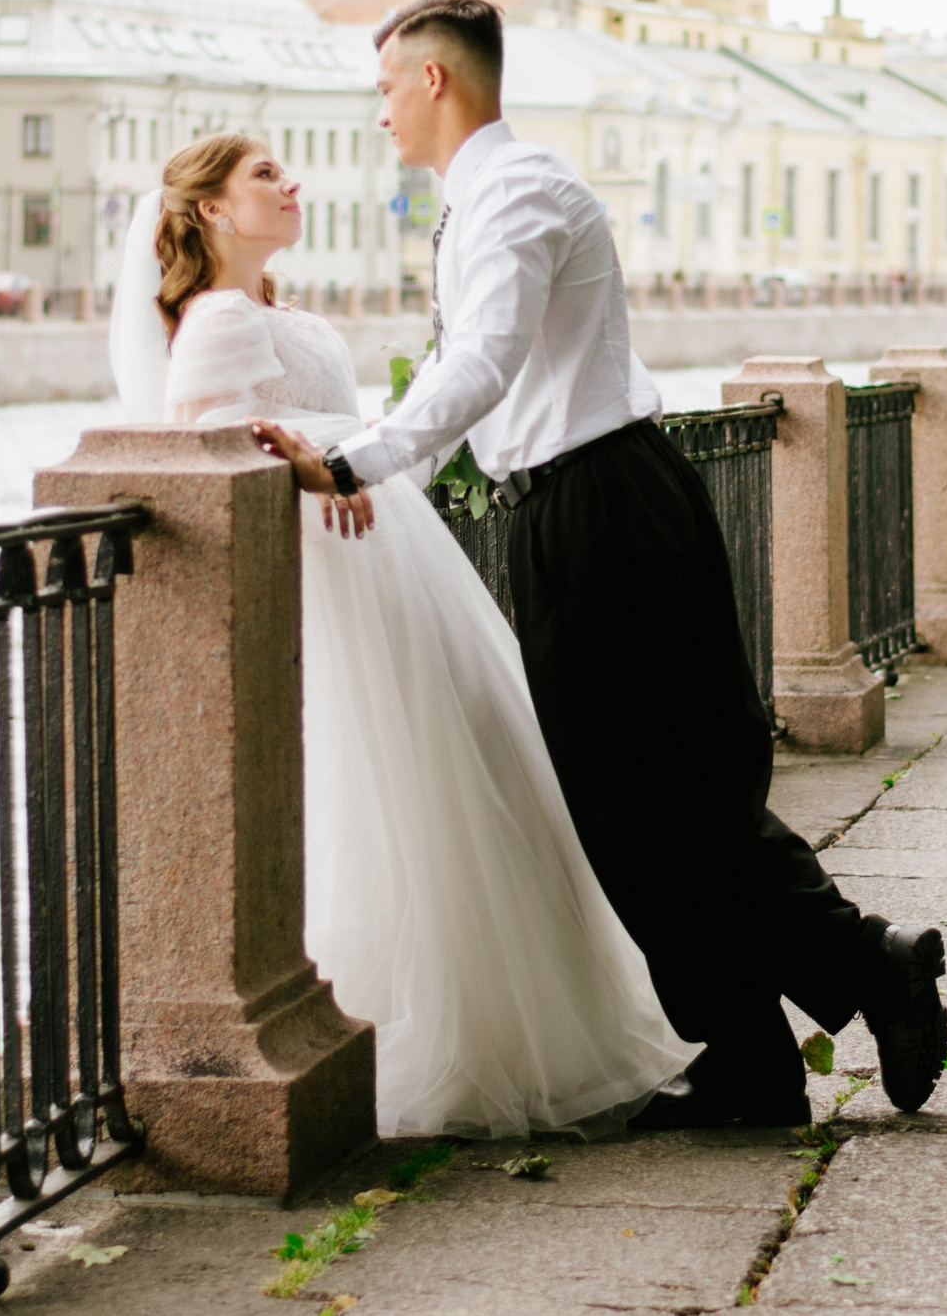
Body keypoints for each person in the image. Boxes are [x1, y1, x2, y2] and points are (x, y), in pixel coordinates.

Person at [263, 0, 947, 1128]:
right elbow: (476, 370)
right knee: (652, 800)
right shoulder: (482, 199)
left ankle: (862, 975)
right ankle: (765, 1048)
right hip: (572, 505)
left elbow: (480, 362)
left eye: (385, 87)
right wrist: (378, 473)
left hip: (602, 505)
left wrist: (356, 463)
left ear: (434, 80)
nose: (379, 111)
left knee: (653, 799)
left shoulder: (519, 191)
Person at [107, 131, 694, 1139]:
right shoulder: (211, 322)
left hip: (379, 547)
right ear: (209, 209)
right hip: (336, 571)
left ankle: (524, 1019)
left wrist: (341, 455)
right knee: (386, 792)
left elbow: (305, 430)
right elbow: (213, 470)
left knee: (457, 775)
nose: (292, 184)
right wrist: (319, 463)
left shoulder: (270, 309)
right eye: (265, 176)